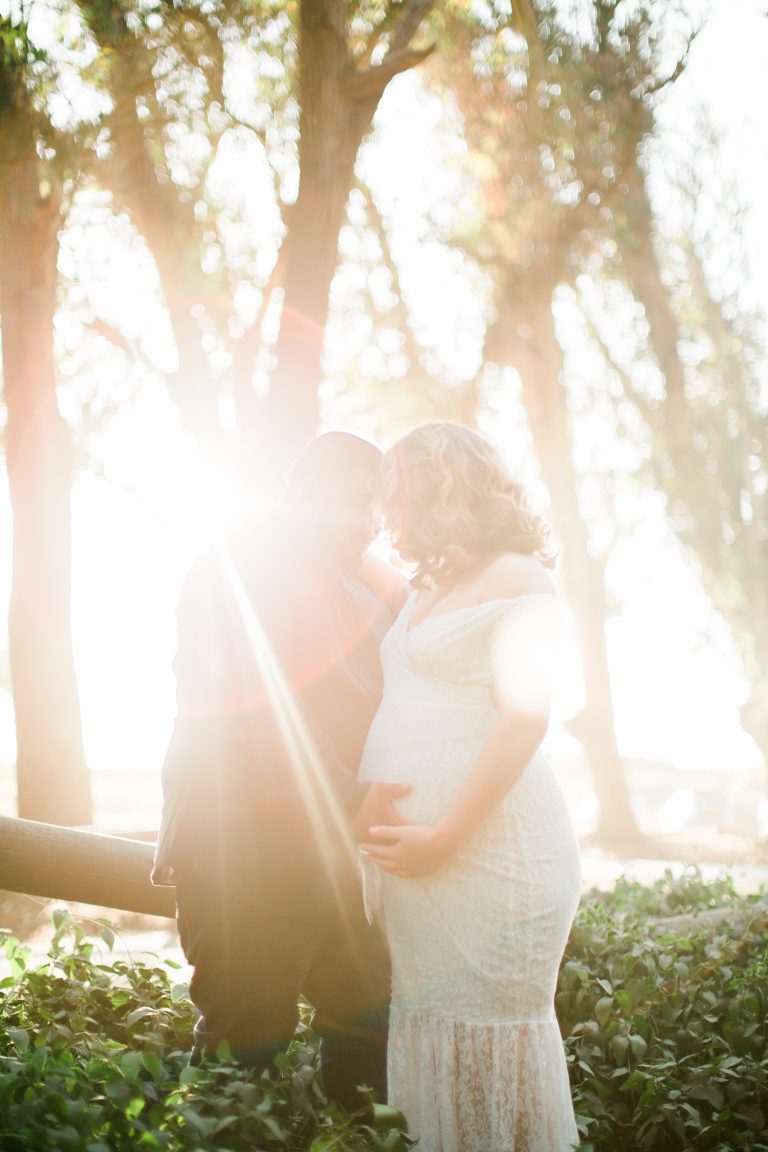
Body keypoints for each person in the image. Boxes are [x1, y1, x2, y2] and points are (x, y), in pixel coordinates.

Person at [152, 430, 408, 1111]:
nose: (370, 524)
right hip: (245, 857)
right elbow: (260, 716)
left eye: (377, 509)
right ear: (304, 492)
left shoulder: (351, 577)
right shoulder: (239, 565)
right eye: (356, 503)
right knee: (245, 1050)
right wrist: (357, 801)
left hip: (334, 859)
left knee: (369, 1033)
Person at [359, 422, 582, 1151]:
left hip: (493, 858)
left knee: (492, 1053)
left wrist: (444, 836)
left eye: (396, 497)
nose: (387, 515)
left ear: (441, 488)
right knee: (432, 1045)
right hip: (421, 873)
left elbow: (525, 716)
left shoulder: (522, 576)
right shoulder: (428, 585)